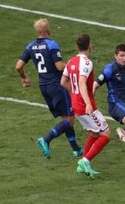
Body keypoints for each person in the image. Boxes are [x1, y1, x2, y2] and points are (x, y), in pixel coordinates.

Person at [15, 18, 83, 158]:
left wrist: (24, 78)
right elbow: (59, 66)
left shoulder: (30, 46)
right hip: (57, 85)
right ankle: (46, 140)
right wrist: (72, 65)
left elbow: (18, 66)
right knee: (69, 119)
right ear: (47, 30)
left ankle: (76, 149)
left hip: (44, 86)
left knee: (66, 117)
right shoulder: (51, 44)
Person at [61, 34, 111, 179]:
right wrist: (88, 103)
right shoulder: (87, 63)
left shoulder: (70, 61)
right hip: (85, 105)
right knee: (106, 134)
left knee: (94, 134)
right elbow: (82, 82)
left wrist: (74, 93)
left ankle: (82, 165)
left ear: (77, 47)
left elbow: (63, 82)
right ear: (90, 45)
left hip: (76, 104)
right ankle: (85, 160)